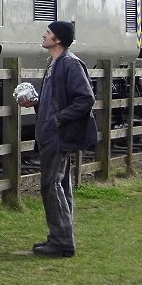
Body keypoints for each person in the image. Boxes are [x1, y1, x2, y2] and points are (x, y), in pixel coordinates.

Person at [17, 20, 94, 258]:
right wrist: (36, 103)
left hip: (57, 135)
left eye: (48, 33)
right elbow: (54, 101)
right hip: (50, 133)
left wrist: (59, 119)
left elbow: (86, 99)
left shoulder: (69, 64)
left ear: (57, 39)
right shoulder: (54, 64)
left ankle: (61, 241)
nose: (44, 35)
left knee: (52, 186)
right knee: (59, 185)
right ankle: (60, 237)